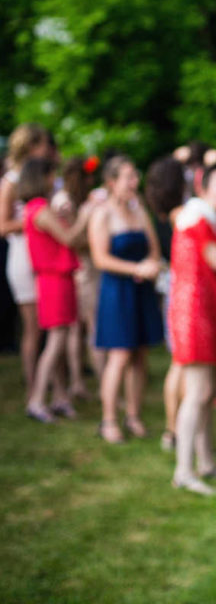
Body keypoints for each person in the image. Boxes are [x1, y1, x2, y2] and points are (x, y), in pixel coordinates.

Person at [169, 162, 216, 496]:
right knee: (196, 392)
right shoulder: (198, 219)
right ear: (204, 189)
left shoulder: (203, 218)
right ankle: (183, 470)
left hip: (207, 310)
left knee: (208, 392)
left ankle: (206, 462)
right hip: (193, 313)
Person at [90, 156, 165, 444]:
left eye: (135, 176)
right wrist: (136, 268)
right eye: (128, 177)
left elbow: (155, 249)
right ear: (111, 182)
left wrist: (151, 264)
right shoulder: (102, 214)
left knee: (140, 354)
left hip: (141, 289)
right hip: (117, 291)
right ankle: (108, 419)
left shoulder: (140, 211)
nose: (135, 182)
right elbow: (100, 258)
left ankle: (133, 414)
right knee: (119, 355)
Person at [20, 158, 97, 422]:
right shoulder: (40, 209)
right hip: (55, 280)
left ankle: (59, 397)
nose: (56, 180)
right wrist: (85, 216)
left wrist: (67, 218)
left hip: (55, 279)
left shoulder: (36, 209)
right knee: (56, 342)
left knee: (58, 340)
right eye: (52, 175)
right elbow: (70, 239)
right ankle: (38, 399)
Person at [1, 123, 51, 398]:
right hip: (23, 256)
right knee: (32, 327)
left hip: (44, 254)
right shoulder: (11, 181)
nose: (47, 150)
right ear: (31, 146)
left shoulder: (41, 176)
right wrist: (33, 220)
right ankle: (33, 385)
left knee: (49, 324)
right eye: (43, 144)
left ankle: (49, 383)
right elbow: (2, 225)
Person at [144, 156, 189, 452]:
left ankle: (175, 427)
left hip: (175, 288)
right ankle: (176, 427)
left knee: (179, 362)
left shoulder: (159, 216)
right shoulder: (182, 216)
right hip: (184, 290)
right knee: (182, 363)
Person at [51, 155, 103, 398]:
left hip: (87, 269)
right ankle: (86, 382)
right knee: (84, 327)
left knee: (80, 328)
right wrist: (94, 239)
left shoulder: (81, 199)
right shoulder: (64, 202)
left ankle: (79, 381)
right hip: (80, 271)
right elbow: (71, 239)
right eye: (87, 175)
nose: (91, 180)